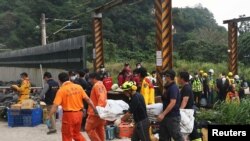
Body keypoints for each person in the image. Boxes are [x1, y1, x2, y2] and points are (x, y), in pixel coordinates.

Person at [47, 72, 97, 141]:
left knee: (66, 136)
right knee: (76, 134)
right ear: (69, 78)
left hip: (69, 116)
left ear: (59, 81)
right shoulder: (78, 87)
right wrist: (94, 109)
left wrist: (49, 116)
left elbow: (55, 105)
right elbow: (88, 99)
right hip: (79, 114)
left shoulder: (61, 90)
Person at [157, 70, 184, 141]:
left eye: (164, 76)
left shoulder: (173, 88)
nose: (164, 78)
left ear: (168, 77)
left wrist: (163, 114)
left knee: (177, 136)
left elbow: (172, 102)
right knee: (163, 136)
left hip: (172, 117)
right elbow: (165, 99)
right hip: (166, 117)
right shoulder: (167, 87)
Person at [178, 72, 202, 141]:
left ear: (182, 79)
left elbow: (185, 100)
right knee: (191, 130)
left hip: (187, 112)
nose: (178, 79)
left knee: (191, 130)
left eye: (179, 77)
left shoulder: (186, 88)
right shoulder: (185, 87)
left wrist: (180, 111)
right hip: (187, 111)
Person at [85, 72, 107, 141]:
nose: (89, 81)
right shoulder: (101, 84)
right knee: (99, 128)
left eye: (90, 79)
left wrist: (99, 110)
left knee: (88, 128)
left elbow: (102, 98)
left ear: (93, 78)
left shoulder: (97, 85)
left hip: (95, 113)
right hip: (100, 112)